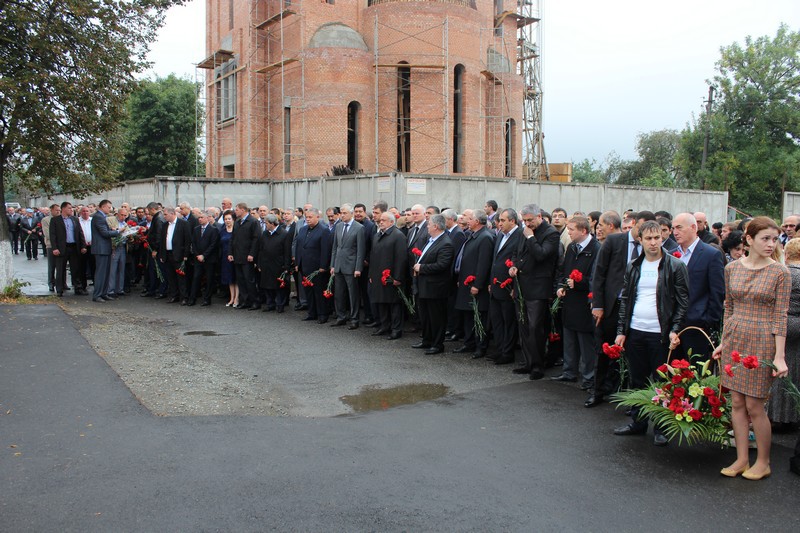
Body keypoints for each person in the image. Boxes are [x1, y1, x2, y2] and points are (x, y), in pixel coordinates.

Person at [713, 216, 790, 480]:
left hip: (762, 339)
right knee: (736, 401)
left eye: (774, 239)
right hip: (736, 337)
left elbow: (781, 316)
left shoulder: (780, 272)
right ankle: (742, 459)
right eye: (765, 238)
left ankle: (763, 461)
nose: (771, 244)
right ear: (749, 239)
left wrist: (779, 356)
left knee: (755, 404)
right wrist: (724, 342)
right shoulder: (732, 268)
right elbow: (729, 308)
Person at [613, 220, 689, 446]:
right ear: (640, 240)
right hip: (636, 330)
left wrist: (675, 329)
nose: (654, 242)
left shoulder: (675, 265)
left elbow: (683, 302)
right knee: (637, 380)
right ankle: (638, 422)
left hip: (661, 334)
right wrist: (621, 330)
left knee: (661, 382)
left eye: (657, 238)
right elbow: (626, 299)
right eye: (649, 238)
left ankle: (661, 427)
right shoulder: (634, 265)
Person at [510, 203, 560, 380]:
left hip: (538, 288)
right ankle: (528, 362)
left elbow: (541, 255)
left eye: (530, 220)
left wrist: (531, 237)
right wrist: (514, 266)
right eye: (524, 220)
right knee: (523, 325)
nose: (527, 223)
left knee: (535, 327)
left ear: (539, 216)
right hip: (521, 286)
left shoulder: (551, 233)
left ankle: (538, 365)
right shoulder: (524, 231)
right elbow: (516, 253)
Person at [551, 216, 601, 388]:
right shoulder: (572, 247)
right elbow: (563, 271)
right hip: (570, 301)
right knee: (569, 339)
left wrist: (579, 283)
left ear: (583, 231)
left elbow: (596, 279)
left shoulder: (596, 249)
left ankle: (589, 377)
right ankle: (569, 372)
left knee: (586, 344)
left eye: (572, 229)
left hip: (584, 303)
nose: (569, 232)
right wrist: (561, 286)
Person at [672, 213, 725, 361]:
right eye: (673, 228)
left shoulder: (710, 254)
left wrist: (707, 321)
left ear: (693, 228)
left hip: (697, 325)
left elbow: (717, 292)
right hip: (673, 326)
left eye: (679, 228)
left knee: (696, 370)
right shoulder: (670, 254)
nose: (675, 232)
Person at [766, 237, 800, 430]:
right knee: (794, 371)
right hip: (797, 327)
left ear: (787, 254)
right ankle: (792, 415)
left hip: (780, 325)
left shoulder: (784, 273)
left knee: (778, 369)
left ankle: (776, 414)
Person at [452, 209, 494, 358]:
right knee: (468, 315)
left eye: (469, 219)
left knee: (478, 316)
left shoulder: (485, 237)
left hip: (476, 286)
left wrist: (477, 284)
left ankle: (480, 346)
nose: (467, 221)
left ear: (477, 221)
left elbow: (484, 264)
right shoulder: (473, 235)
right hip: (466, 282)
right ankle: (469, 343)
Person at [411, 214, 454, 354]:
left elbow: (442, 265)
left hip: (436, 288)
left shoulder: (446, 243)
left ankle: (437, 344)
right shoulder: (431, 240)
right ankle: (427, 340)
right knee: (426, 316)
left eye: (429, 224)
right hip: (425, 286)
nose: (427, 227)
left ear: (435, 226)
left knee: (436, 318)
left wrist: (421, 267)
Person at [488, 208, 523, 365]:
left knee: (509, 321)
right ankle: (500, 349)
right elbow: (495, 261)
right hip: (496, 285)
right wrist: (491, 282)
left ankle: (507, 353)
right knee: (497, 320)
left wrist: (515, 287)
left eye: (503, 220)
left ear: (512, 221)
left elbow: (519, 262)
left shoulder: (520, 236)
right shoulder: (501, 235)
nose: (499, 223)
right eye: (499, 220)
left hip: (508, 287)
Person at [369, 212, 408, 340]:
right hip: (378, 275)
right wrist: (371, 275)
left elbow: (401, 258)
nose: (380, 222)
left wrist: (398, 277)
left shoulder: (398, 236)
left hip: (391, 276)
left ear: (391, 222)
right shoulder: (377, 235)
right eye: (380, 220)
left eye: (384, 220)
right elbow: (373, 256)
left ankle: (396, 329)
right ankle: (384, 326)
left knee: (394, 303)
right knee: (381, 302)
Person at [329, 204, 365, 329]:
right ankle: (341, 317)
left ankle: (354, 319)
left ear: (351, 214)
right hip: (338, 265)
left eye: (345, 213)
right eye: (341, 213)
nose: (342, 215)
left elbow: (360, 250)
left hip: (351, 266)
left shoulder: (359, 228)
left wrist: (358, 268)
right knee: (339, 293)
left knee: (352, 294)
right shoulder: (338, 226)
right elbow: (335, 248)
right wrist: (332, 265)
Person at [295, 207, 332, 323]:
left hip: (317, 267)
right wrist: (297, 263)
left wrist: (323, 266)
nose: (308, 219)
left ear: (318, 217)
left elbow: (326, 250)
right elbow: (299, 246)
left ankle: (322, 314)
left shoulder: (324, 230)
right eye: (306, 217)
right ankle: (312, 312)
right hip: (304, 266)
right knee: (308, 291)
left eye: (310, 217)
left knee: (319, 292)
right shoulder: (303, 229)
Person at [50, 202, 88, 297]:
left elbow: (80, 233)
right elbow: (52, 235)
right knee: (60, 269)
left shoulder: (74, 219)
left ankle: (78, 288)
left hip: (74, 247)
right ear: (63, 209)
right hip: (62, 248)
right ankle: (59, 289)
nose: (71, 210)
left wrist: (83, 246)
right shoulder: (55, 220)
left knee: (76, 269)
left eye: (71, 208)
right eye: (69, 208)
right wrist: (54, 248)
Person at [229, 203, 261, 310]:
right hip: (237, 255)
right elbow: (233, 238)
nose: (235, 212)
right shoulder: (237, 222)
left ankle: (255, 301)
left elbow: (256, 239)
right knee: (240, 280)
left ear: (243, 210)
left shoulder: (253, 221)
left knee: (249, 280)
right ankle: (244, 301)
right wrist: (230, 253)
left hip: (247, 256)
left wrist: (252, 254)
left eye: (237, 210)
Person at [256, 213, 291, 313]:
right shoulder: (265, 233)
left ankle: (280, 304)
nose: (265, 225)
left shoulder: (284, 234)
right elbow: (261, 249)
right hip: (266, 263)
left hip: (278, 264)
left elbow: (287, 251)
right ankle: (270, 303)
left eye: (266, 223)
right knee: (267, 285)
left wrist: (286, 266)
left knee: (278, 286)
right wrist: (259, 263)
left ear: (272, 223)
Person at [159, 206, 192, 305]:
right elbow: (162, 240)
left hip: (179, 254)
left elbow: (187, 240)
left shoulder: (183, 224)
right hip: (167, 254)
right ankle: (174, 295)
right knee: (170, 276)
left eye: (165, 214)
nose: (164, 216)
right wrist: (162, 255)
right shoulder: (165, 225)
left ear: (172, 213)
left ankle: (184, 297)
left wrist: (186, 254)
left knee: (181, 277)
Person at [189, 210, 221, 307]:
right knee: (196, 278)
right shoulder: (196, 229)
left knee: (209, 279)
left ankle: (207, 299)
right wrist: (198, 255)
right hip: (198, 258)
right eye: (199, 217)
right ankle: (192, 298)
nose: (200, 219)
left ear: (207, 218)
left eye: (202, 217)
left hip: (209, 259)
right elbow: (193, 243)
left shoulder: (213, 230)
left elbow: (213, 245)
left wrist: (204, 255)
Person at [90, 200, 120, 302]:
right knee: (101, 273)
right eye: (108, 207)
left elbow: (105, 231)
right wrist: (118, 232)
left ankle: (103, 293)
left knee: (106, 273)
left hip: (104, 248)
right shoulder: (98, 217)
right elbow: (104, 233)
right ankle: (97, 294)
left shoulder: (101, 216)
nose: (110, 209)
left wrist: (112, 230)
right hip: (101, 249)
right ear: (103, 207)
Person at [220, 211, 238, 307]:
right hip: (225, 257)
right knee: (229, 278)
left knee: (236, 278)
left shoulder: (237, 230)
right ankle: (231, 298)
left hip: (235, 257)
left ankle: (236, 298)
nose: (227, 221)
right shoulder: (222, 230)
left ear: (233, 219)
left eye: (229, 219)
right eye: (225, 219)